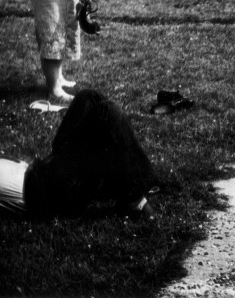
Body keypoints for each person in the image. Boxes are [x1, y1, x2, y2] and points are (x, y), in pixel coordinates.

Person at [0, 90, 158, 219]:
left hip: (45, 170)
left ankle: (131, 181)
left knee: (88, 97)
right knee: (106, 112)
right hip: (46, 194)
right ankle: (134, 196)